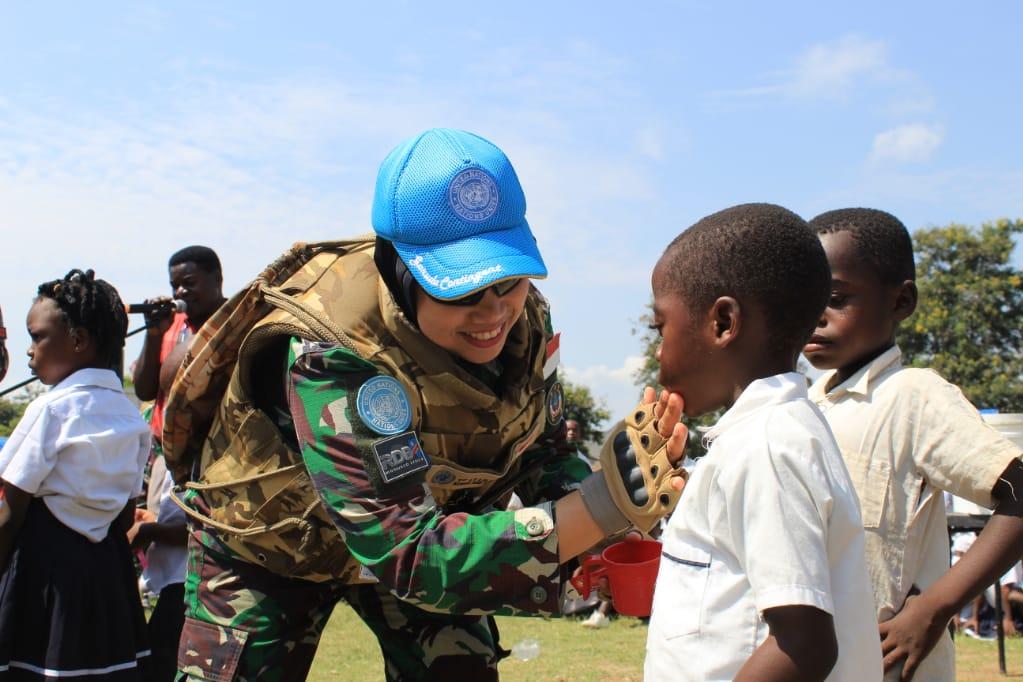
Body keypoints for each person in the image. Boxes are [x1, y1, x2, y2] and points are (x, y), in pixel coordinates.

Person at [170, 128, 687, 681]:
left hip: (428, 526)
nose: (494, 314)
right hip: (271, 545)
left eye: (508, 280)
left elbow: (541, 449)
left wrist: (606, 528)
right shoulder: (333, 351)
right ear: (400, 270)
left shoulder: (528, 322)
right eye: (463, 290)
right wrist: (596, 508)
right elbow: (410, 554)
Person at [643, 204, 882, 681]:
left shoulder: (768, 445)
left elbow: (804, 645)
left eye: (660, 328)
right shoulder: (763, 436)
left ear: (723, 323)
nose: (658, 352)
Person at [803, 207, 1023, 681]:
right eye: (804, 298)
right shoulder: (806, 404)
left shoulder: (913, 396)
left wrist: (935, 607)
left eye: (836, 298)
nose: (813, 316)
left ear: (901, 301)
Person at [0, 269, 151, 679]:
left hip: (42, 579)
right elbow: (124, 516)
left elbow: (10, 514)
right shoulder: (132, 419)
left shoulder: (50, 409)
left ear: (78, 340)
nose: (30, 351)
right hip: (106, 580)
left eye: (37, 337)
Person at [132, 245, 226, 441]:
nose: (180, 292)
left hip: (214, 450)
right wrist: (154, 335)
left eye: (189, 283)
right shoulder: (169, 324)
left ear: (217, 279)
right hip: (163, 449)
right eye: (175, 286)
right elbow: (144, 392)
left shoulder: (236, 324)